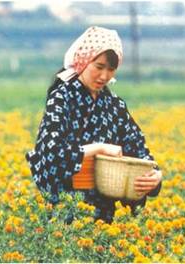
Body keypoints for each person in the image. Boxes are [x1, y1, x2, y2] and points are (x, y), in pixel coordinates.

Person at [25, 26, 162, 223]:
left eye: (111, 69)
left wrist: (155, 175)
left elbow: (138, 148)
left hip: (105, 219)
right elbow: (51, 154)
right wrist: (99, 148)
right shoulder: (61, 98)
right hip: (65, 214)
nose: (105, 76)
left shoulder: (114, 105)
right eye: (99, 67)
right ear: (83, 62)